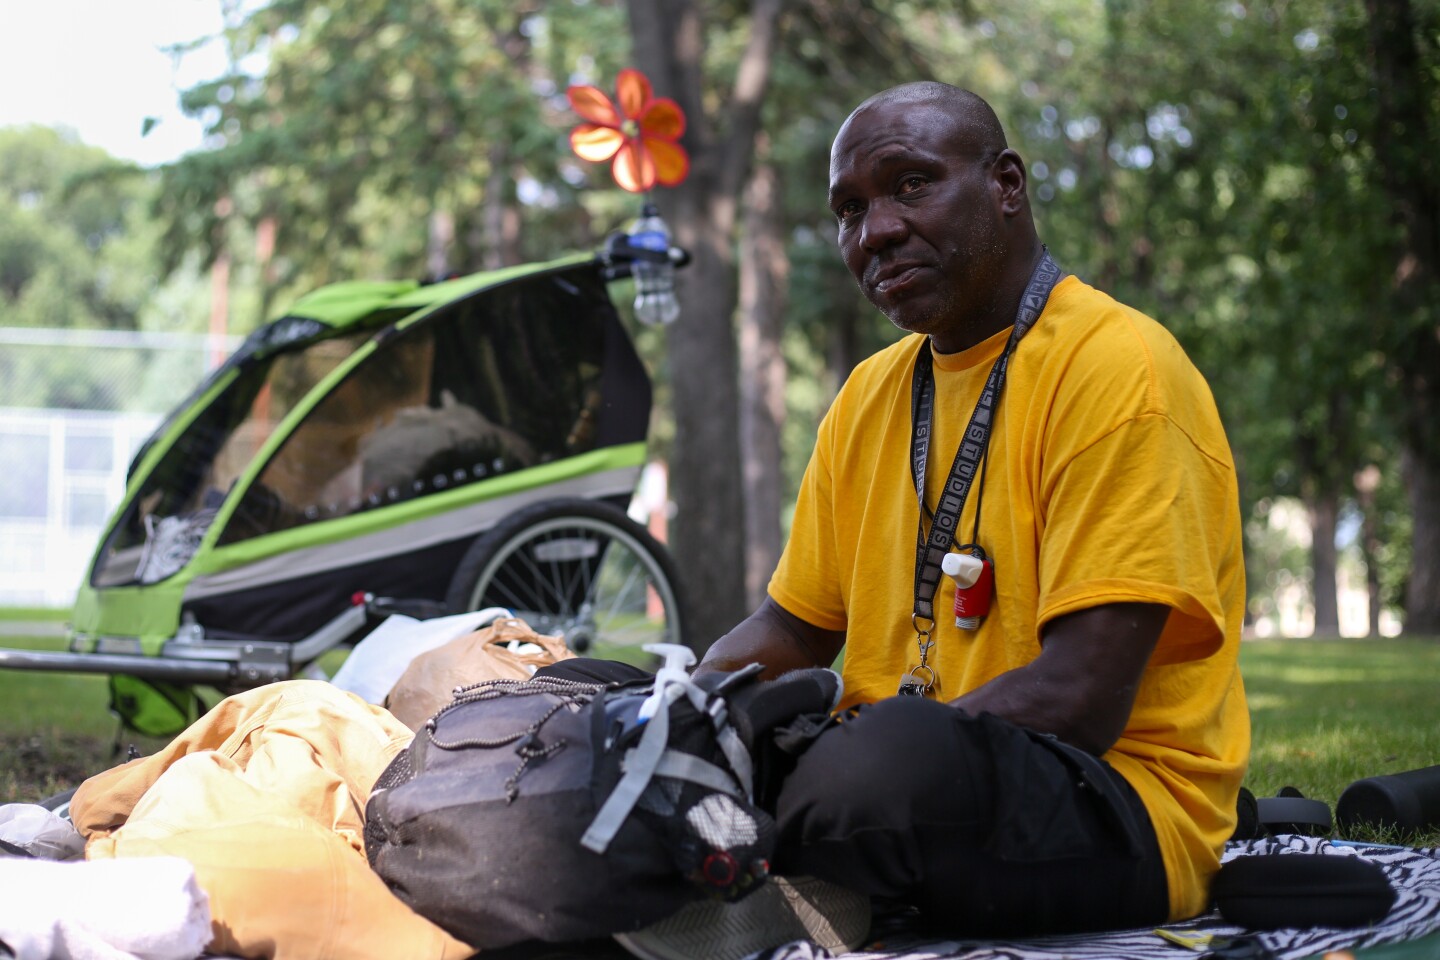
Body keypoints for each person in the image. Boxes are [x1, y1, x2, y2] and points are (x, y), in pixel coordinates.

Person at [608, 81, 1248, 958]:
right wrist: (677, 714)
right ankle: (782, 868)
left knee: (886, 765)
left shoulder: (1119, 370)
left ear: (1007, 185)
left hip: (1121, 802)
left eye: (910, 185)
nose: (873, 233)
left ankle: (762, 867)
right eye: (848, 210)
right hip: (895, 771)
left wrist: (827, 757)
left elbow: (1083, 699)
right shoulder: (870, 394)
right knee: (611, 703)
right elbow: (791, 628)